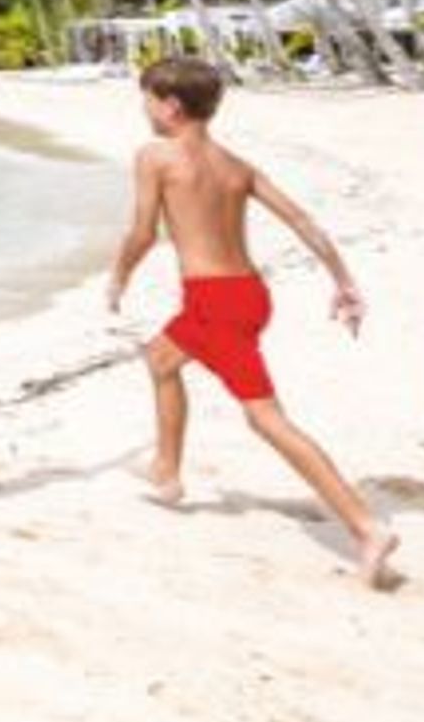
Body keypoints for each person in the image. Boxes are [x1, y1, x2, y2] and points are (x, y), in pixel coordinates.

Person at [106, 55, 402, 587]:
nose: (144, 110)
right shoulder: (235, 166)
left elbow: (144, 233)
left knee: (266, 418)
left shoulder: (156, 157)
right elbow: (302, 220)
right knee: (160, 359)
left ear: (170, 107)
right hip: (247, 293)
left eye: (147, 99)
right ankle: (167, 473)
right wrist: (343, 280)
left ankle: (365, 527)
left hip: (215, 303)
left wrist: (119, 275)